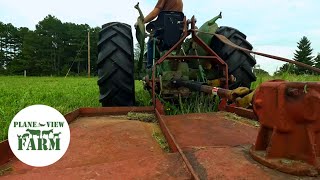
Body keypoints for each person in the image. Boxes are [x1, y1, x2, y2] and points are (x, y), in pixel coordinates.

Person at [143, 0, 184, 68]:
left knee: (150, 43)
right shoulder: (180, 2)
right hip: (176, 34)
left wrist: (142, 21)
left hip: (164, 31)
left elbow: (154, 14)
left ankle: (149, 66)